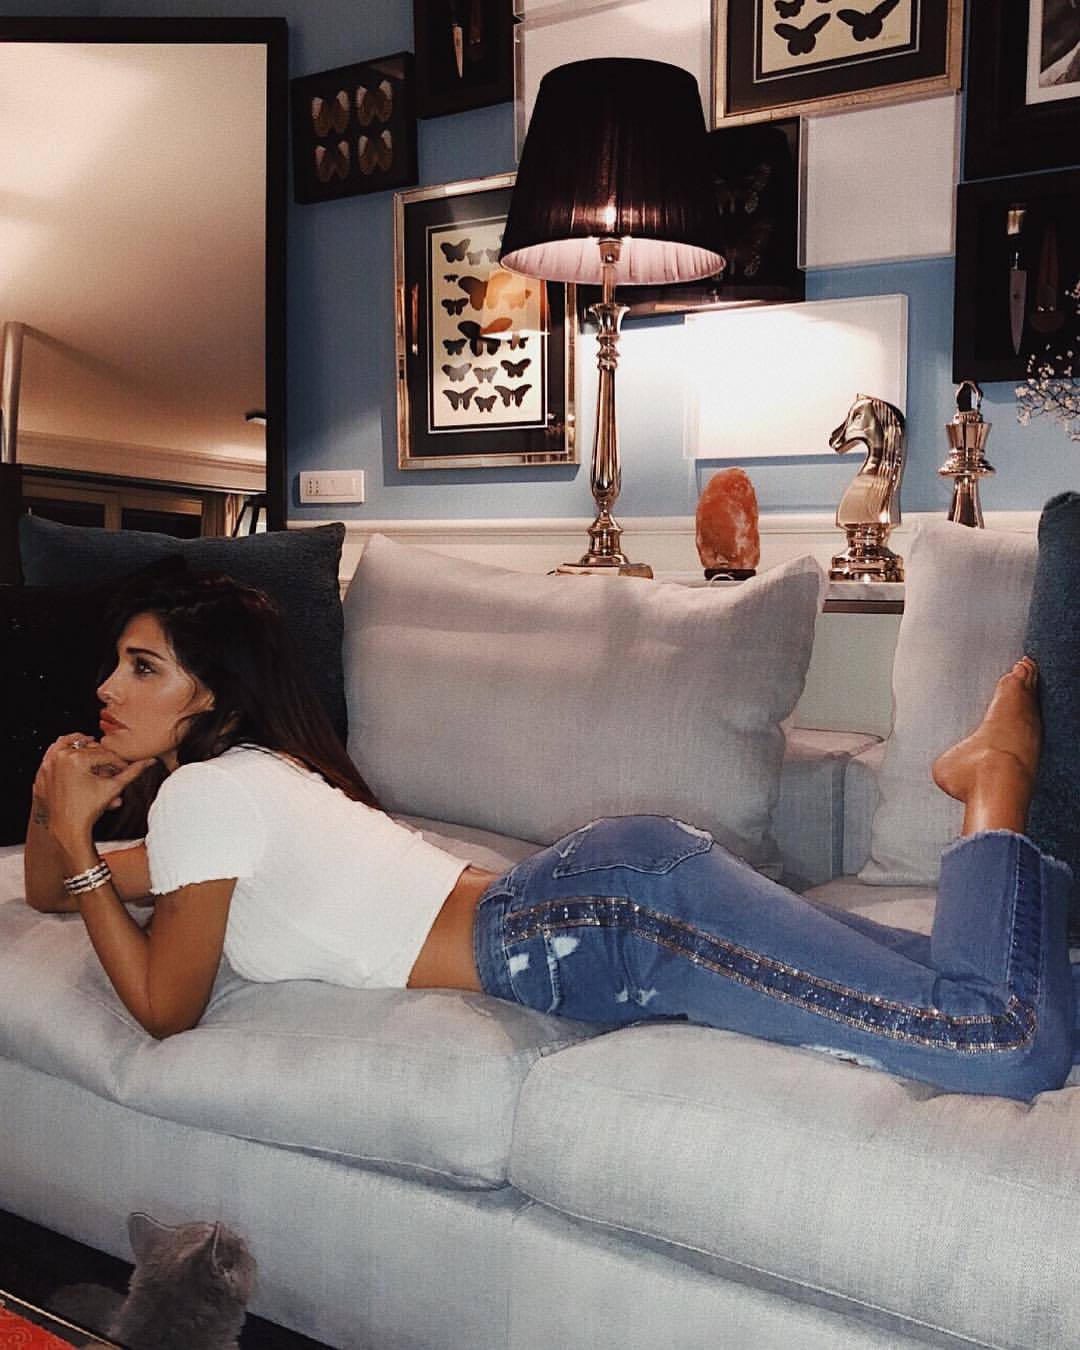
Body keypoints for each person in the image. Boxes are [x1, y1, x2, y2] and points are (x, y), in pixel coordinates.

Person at [23, 530, 1078, 1103]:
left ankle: (993, 784)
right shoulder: (234, 797)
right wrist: (49, 808)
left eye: (142, 667)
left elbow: (164, 1006)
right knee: (993, 998)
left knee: (998, 1041)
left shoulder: (210, 794)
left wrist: (76, 838)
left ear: (211, 694)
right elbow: (57, 893)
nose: (108, 687)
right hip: (609, 896)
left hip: (598, 922)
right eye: (116, 663)